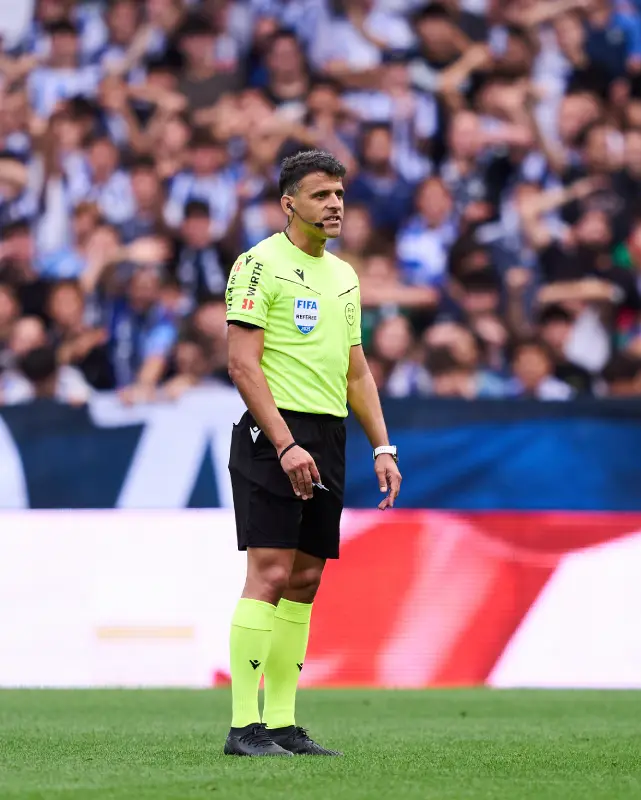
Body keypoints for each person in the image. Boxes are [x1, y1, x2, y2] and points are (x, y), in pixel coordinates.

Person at [222, 151, 403, 757]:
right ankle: (243, 725)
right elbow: (242, 365)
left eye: (340, 195)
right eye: (322, 195)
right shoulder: (258, 265)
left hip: (327, 437)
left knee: (304, 580)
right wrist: (286, 443)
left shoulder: (345, 276)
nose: (335, 205)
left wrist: (382, 443)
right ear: (289, 203)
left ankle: (280, 723)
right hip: (275, 435)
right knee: (269, 574)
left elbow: (356, 372)